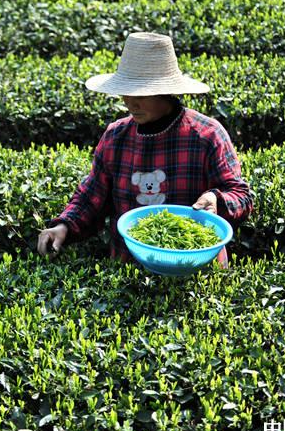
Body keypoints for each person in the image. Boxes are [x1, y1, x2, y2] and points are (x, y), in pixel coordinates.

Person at [37, 32, 253, 267]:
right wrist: (63, 226)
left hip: (195, 269)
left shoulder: (207, 135)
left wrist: (216, 200)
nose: (130, 102)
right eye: (126, 92)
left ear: (165, 91)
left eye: (140, 93)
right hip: (130, 270)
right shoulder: (116, 137)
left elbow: (240, 195)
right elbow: (92, 196)